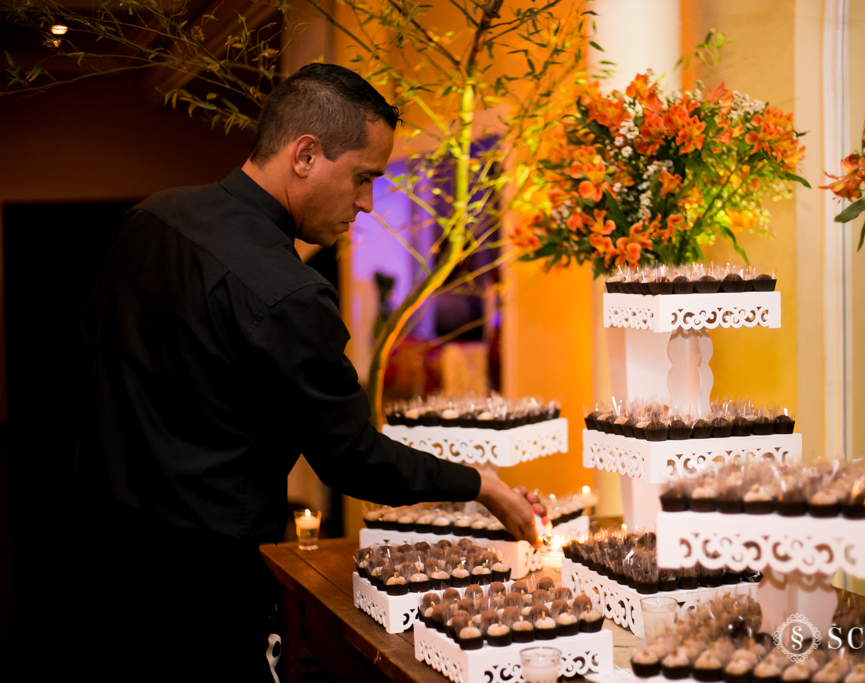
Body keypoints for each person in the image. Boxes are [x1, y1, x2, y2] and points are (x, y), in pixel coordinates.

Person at [73, 63, 541, 681]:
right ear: (305, 155)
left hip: (101, 562)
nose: (369, 203)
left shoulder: (149, 219)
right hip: (208, 587)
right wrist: (483, 485)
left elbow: (90, 359)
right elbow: (352, 459)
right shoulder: (289, 293)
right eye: (363, 177)